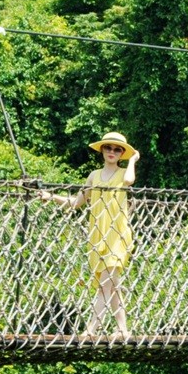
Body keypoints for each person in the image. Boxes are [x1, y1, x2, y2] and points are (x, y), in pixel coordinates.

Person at [50, 132, 138, 336]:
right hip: (98, 234)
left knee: (105, 286)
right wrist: (50, 196)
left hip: (117, 235)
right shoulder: (94, 176)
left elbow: (129, 180)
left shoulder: (122, 173)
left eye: (117, 149)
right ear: (102, 150)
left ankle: (91, 330)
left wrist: (133, 159)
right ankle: (123, 329)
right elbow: (76, 203)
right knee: (112, 285)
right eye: (108, 147)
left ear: (122, 154)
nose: (112, 152)